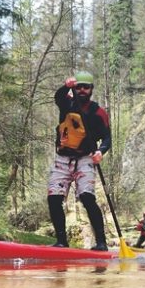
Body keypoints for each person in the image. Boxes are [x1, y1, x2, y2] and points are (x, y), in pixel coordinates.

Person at [47, 70, 111, 250]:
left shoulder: (98, 113)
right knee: (54, 198)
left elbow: (107, 138)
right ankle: (61, 241)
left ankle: (101, 242)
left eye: (86, 87)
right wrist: (65, 86)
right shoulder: (66, 103)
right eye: (79, 87)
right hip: (63, 158)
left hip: (85, 158)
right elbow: (58, 96)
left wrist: (101, 151)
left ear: (91, 89)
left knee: (87, 197)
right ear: (74, 88)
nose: (82, 90)